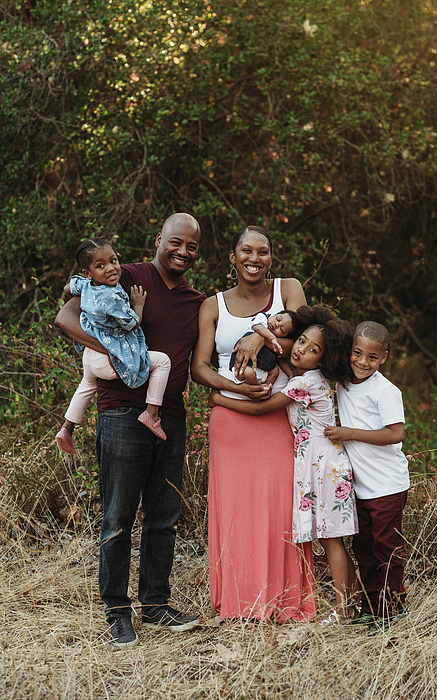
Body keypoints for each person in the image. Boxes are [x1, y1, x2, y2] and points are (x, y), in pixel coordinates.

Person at [56, 213, 206, 648]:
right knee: (119, 518)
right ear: (159, 239)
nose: (182, 251)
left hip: (169, 416)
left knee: (163, 518)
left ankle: (156, 605)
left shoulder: (197, 300)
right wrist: (119, 354)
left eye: (192, 247)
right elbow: (67, 317)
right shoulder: (129, 276)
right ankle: (117, 612)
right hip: (122, 413)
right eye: (175, 242)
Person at [191, 225, 316, 622]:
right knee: (235, 510)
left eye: (263, 252)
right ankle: (240, 603)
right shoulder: (214, 305)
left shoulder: (288, 289)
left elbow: (307, 333)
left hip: (279, 415)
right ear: (233, 256)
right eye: (246, 250)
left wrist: (258, 336)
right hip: (232, 419)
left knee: (279, 507)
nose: (254, 258)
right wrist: (233, 389)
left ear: (271, 259)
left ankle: (282, 603)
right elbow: (198, 367)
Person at [209, 305, 359, 624]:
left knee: (332, 540)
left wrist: (219, 399)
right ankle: (352, 603)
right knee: (333, 539)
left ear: (324, 358)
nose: (302, 349)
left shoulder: (305, 383)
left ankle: (345, 612)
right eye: (301, 341)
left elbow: (263, 409)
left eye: (312, 349)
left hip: (324, 467)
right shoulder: (306, 377)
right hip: (319, 463)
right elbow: (287, 365)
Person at [324, 320, 410, 631]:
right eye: (357, 353)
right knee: (364, 549)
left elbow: (395, 434)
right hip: (359, 487)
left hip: (387, 484)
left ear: (384, 357)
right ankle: (370, 607)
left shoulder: (385, 390)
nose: (363, 362)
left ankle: (392, 611)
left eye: (372, 357)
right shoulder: (344, 382)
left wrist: (349, 433)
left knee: (386, 548)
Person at [55, 237, 171, 455]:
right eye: (100, 266)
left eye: (113, 261)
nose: (110, 268)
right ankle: (152, 412)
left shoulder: (85, 285)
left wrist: (76, 289)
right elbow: (131, 323)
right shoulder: (112, 296)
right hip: (108, 356)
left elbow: (69, 286)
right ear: (88, 272)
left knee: (86, 386)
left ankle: (66, 428)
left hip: (89, 355)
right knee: (163, 362)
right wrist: (138, 305)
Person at [228, 308, 300, 386]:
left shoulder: (276, 343)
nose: (277, 324)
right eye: (278, 319)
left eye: (282, 329)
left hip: (263, 370)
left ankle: (265, 387)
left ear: (284, 337)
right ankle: (254, 388)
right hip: (244, 365)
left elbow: (281, 361)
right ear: (274, 315)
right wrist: (271, 338)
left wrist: (290, 374)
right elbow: (257, 327)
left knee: (275, 371)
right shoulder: (262, 319)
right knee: (249, 374)